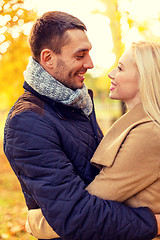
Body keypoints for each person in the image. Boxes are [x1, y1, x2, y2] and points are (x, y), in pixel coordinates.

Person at [3, 11, 159, 240]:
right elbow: (76, 216)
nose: (91, 64)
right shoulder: (28, 122)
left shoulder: (78, 103)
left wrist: (37, 222)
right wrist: (154, 222)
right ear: (48, 58)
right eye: (80, 55)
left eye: (89, 53)